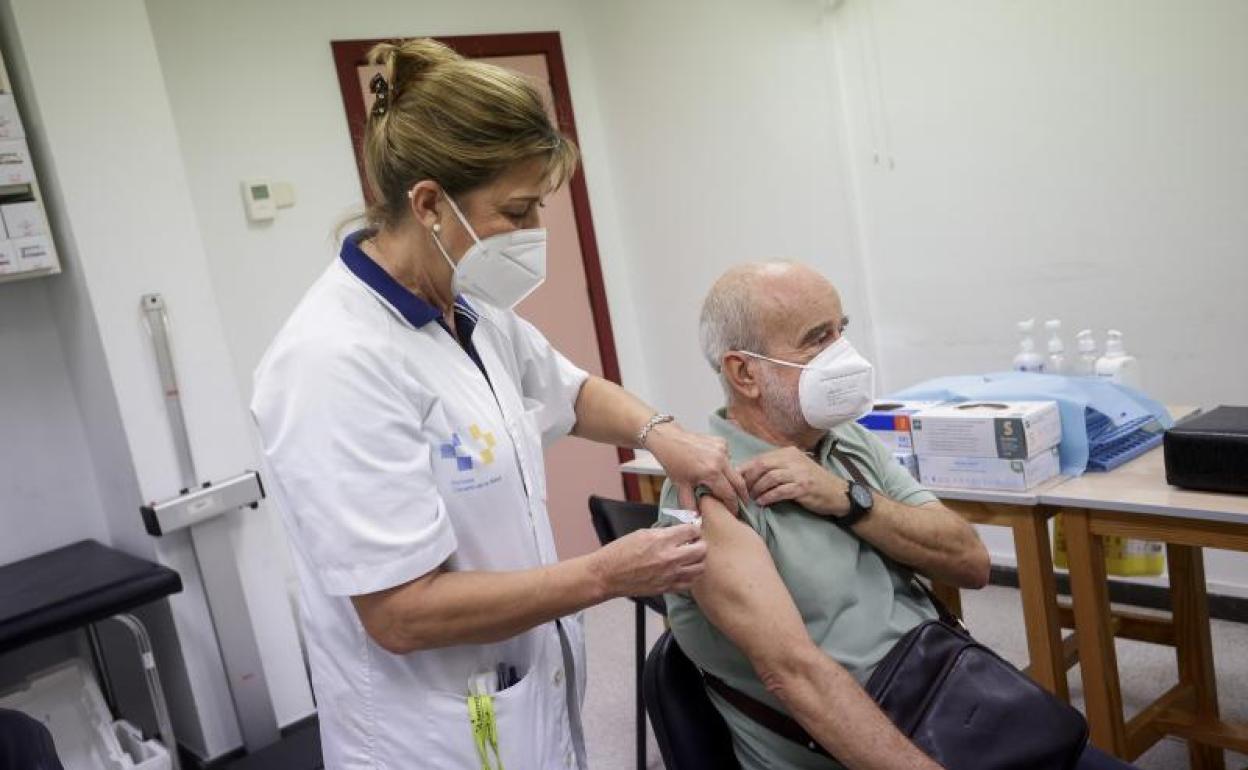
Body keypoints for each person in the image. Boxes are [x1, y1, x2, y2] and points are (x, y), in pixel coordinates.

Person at [251, 38, 744, 769]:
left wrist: (660, 432)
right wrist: (605, 575)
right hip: (429, 734)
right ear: (429, 205)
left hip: (523, 699)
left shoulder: (468, 306)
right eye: (516, 211)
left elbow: (571, 393)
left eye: (538, 207)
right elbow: (399, 613)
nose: (535, 235)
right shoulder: (333, 362)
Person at [657, 261, 1139, 770]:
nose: (843, 354)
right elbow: (798, 677)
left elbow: (969, 562)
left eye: (842, 330)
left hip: (946, 702)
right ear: (744, 373)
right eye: (817, 338)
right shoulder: (707, 496)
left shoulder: (846, 444)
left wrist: (847, 498)